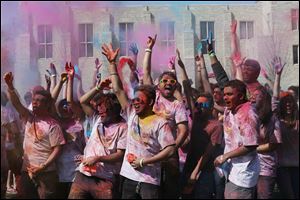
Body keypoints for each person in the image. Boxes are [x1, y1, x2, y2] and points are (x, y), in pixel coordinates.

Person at [101, 43, 176, 199]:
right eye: (134, 100)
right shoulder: (131, 113)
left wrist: (145, 161)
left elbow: (170, 150)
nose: (135, 102)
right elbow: (118, 90)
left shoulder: (159, 122)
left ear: (149, 102)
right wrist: (112, 64)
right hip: (128, 177)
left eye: (139, 100)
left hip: (149, 180)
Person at [3, 72, 65, 199]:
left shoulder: (53, 125)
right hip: (27, 171)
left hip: (46, 173)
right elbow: (17, 104)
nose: (35, 103)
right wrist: (10, 86)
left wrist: (43, 167)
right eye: (34, 100)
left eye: (39, 101)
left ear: (47, 105)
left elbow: (57, 149)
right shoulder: (29, 117)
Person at [142, 34, 189, 199]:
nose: (169, 83)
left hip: (169, 155)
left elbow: (183, 129)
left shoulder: (177, 105)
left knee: (170, 192)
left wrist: (174, 148)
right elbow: (146, 72)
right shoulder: (152, 96)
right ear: (158, 84)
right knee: (150, 191)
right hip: (149, 151)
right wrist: (149, 48)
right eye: (165, 81)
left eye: (172, 81)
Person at [68, 79, 127, 199]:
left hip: (105, 179)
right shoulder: (97, 119)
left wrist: (98, 158)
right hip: (83, 175)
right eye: (98, 107)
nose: (99, 110)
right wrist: (98, 88)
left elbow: (120, 154)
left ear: (113, 109)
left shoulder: (123, 127)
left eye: (103, 108)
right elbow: (83, 101)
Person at [214, 80, 260, 199]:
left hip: (244, 173)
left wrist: (225, 156)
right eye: (224, 94)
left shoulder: (247, 114)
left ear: (240, 96)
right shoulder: (230, 110)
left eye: (229, 94)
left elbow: (250, 145)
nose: (225, 97)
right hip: (231, 169)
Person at [272, 57, 299, 199]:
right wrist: (278, 75)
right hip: (282, 166)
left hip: (297, 165)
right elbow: (275, 99)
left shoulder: (298, 122)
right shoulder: (277, 120)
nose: (288, 105)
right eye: (285, 103)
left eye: (291, 102)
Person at [250, 86, 282, 199]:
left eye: (256, 95)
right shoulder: (249, 116)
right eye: (251, 95)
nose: (252, 98)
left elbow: (274, 144)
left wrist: (251, 149)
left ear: (264, 99)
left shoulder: (272, 119)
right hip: (248, 168)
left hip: (265, 168)